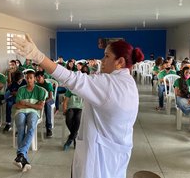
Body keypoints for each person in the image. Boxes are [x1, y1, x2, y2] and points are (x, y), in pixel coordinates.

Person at [13, 34, 144, 178]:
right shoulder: (128, 82)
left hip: (98, 161)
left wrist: (39, 56)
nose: (102, 60)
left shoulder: (110, 85)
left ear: (120, 62)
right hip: (115, 154)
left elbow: (72, 78)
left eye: (106, 56)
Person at [13, 69, 46, 172]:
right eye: (27, 78)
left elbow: (40, 107)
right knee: (21, 127)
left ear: (35, 79)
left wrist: (26, 104)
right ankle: (23, 158)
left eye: (31, 78)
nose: (28, 79)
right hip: (20, 111)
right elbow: (17, 105)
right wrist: (32, 105)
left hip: (33, 112)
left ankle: (20, 154)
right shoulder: (21, 90)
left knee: (31, 124)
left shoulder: (40, 90)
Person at [62, 66, 89, 151]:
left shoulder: (88, 88)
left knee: (78, 118)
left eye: (86, 73)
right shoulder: (72, 87)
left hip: (81, 109)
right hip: (71, 108)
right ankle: (75, 136)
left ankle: (70, 138)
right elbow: (65, 101)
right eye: (82, 73)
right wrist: (65, 109)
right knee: (68, 117)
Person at [35, 70, 55, 137]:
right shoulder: (36, 85)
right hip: (40, 100)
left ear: (43, 77)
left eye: (39, 77)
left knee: (47, 105)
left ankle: (48, 128)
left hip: (49, 100)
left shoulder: (48, 85)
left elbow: (50, 97)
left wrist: (44, 101)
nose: (37, 79)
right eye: (36, 77)